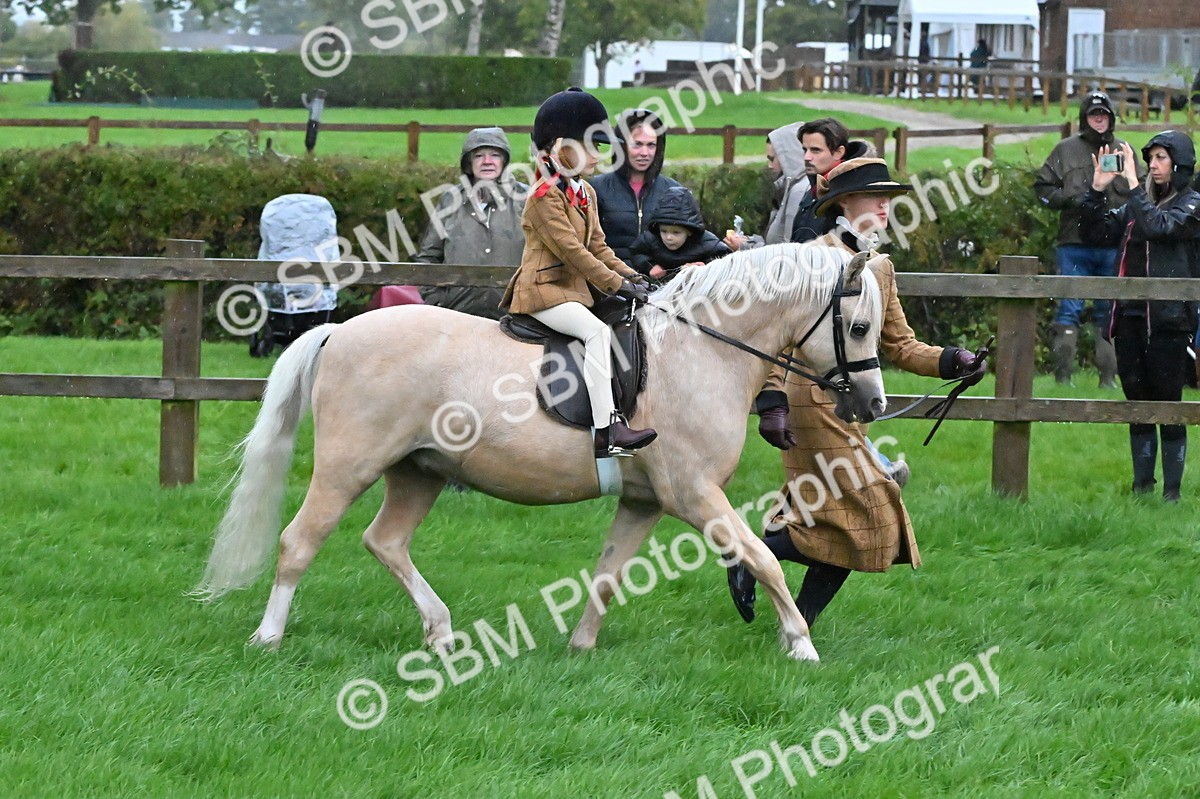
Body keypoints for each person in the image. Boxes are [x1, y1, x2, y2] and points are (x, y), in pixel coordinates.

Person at [726, 157, 987, 630]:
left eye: (888, 198)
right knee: (872, 515)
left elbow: (901, 346)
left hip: (854, 406)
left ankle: (796, 623)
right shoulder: (810, 259)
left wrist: (954, 360)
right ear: (845, 202)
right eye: (875, 196)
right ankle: (754, 557)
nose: (885, 205)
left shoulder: (881, 268)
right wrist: (772, 401)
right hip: (809, 403)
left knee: (851, 527)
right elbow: (775, 340)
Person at [500, 88, 657, 458]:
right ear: (559, 147)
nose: (599, 156)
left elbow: (599, 247)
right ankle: (607, 430)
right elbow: (573, 253)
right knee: (597, 333)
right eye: (590, 146)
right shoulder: (542, 196)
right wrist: (617, 285)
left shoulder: (585, 191)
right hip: (543, 291)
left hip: (573, 292)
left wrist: (635, 278)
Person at [1080, 131, 1200, 502]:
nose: (1153, 164)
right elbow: (1094, 234)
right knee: (1136, 402)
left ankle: (1172, 493)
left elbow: (1159, 227)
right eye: (1151, 158)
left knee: (1167, 404)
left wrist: (1133, 186)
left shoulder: (1193, 203)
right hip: (1129, 317)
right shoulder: (1139, 201)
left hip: (1169, 320)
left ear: (1180, 163)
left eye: (1161, 157)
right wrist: (1097, 191)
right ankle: (1142, 488)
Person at [1034, 91, 1145, 387]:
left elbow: (1143, 190)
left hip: (1114, 247)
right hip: (1073, 244)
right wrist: (1071, 200)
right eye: (1094, 114)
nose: (1099, 119)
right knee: (1068, 309)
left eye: (1104, 114)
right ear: (1084, 118)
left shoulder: (1125, 150)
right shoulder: (1065, 149)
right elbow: (1042, 189)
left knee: (1109, 313)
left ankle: (1108, 381)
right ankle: (1062, 381)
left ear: (1111, 118)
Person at [414, 127, 526, 320]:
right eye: (479, 156)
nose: (487, 161)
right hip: (457, 317)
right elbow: (428, 258)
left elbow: (544, 258)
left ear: (504, 161)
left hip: (516, 317)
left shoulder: (527, 199)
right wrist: (437, 301)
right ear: (468, 163)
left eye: (495, 155)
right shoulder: (450, 201)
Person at [591, 108, 681, 266]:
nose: (644, 152)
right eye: (637, 144)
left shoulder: (673, 191)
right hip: (610, 277)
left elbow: (692, 240)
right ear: (622, 146)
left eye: (651, 145)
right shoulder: (596, 189)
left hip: (658, 278)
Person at [724, 122, 811, 251]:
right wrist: (751, 242)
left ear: (788, 158)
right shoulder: (788, 187)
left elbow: (789, 251)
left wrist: (745, 246)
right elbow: (775, 242)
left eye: (772, 159)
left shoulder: (798, 192)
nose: (769, 166)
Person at [790, 117, 872, 243]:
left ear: (838, 152)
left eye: (815, 150)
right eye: (805, 150)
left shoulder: (849, 195)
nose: (807, 157)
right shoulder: (813, 189)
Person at [628, 184, 731, 283]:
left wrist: (705, 266)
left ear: (689, 231)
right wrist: (650, 266)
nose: (668, 237)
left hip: (696, 290)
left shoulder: (706, 242)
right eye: (663, 231)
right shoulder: (651, 238)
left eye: (676, 232)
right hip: (658, 289)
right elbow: (636, 252)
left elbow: (726, 260)